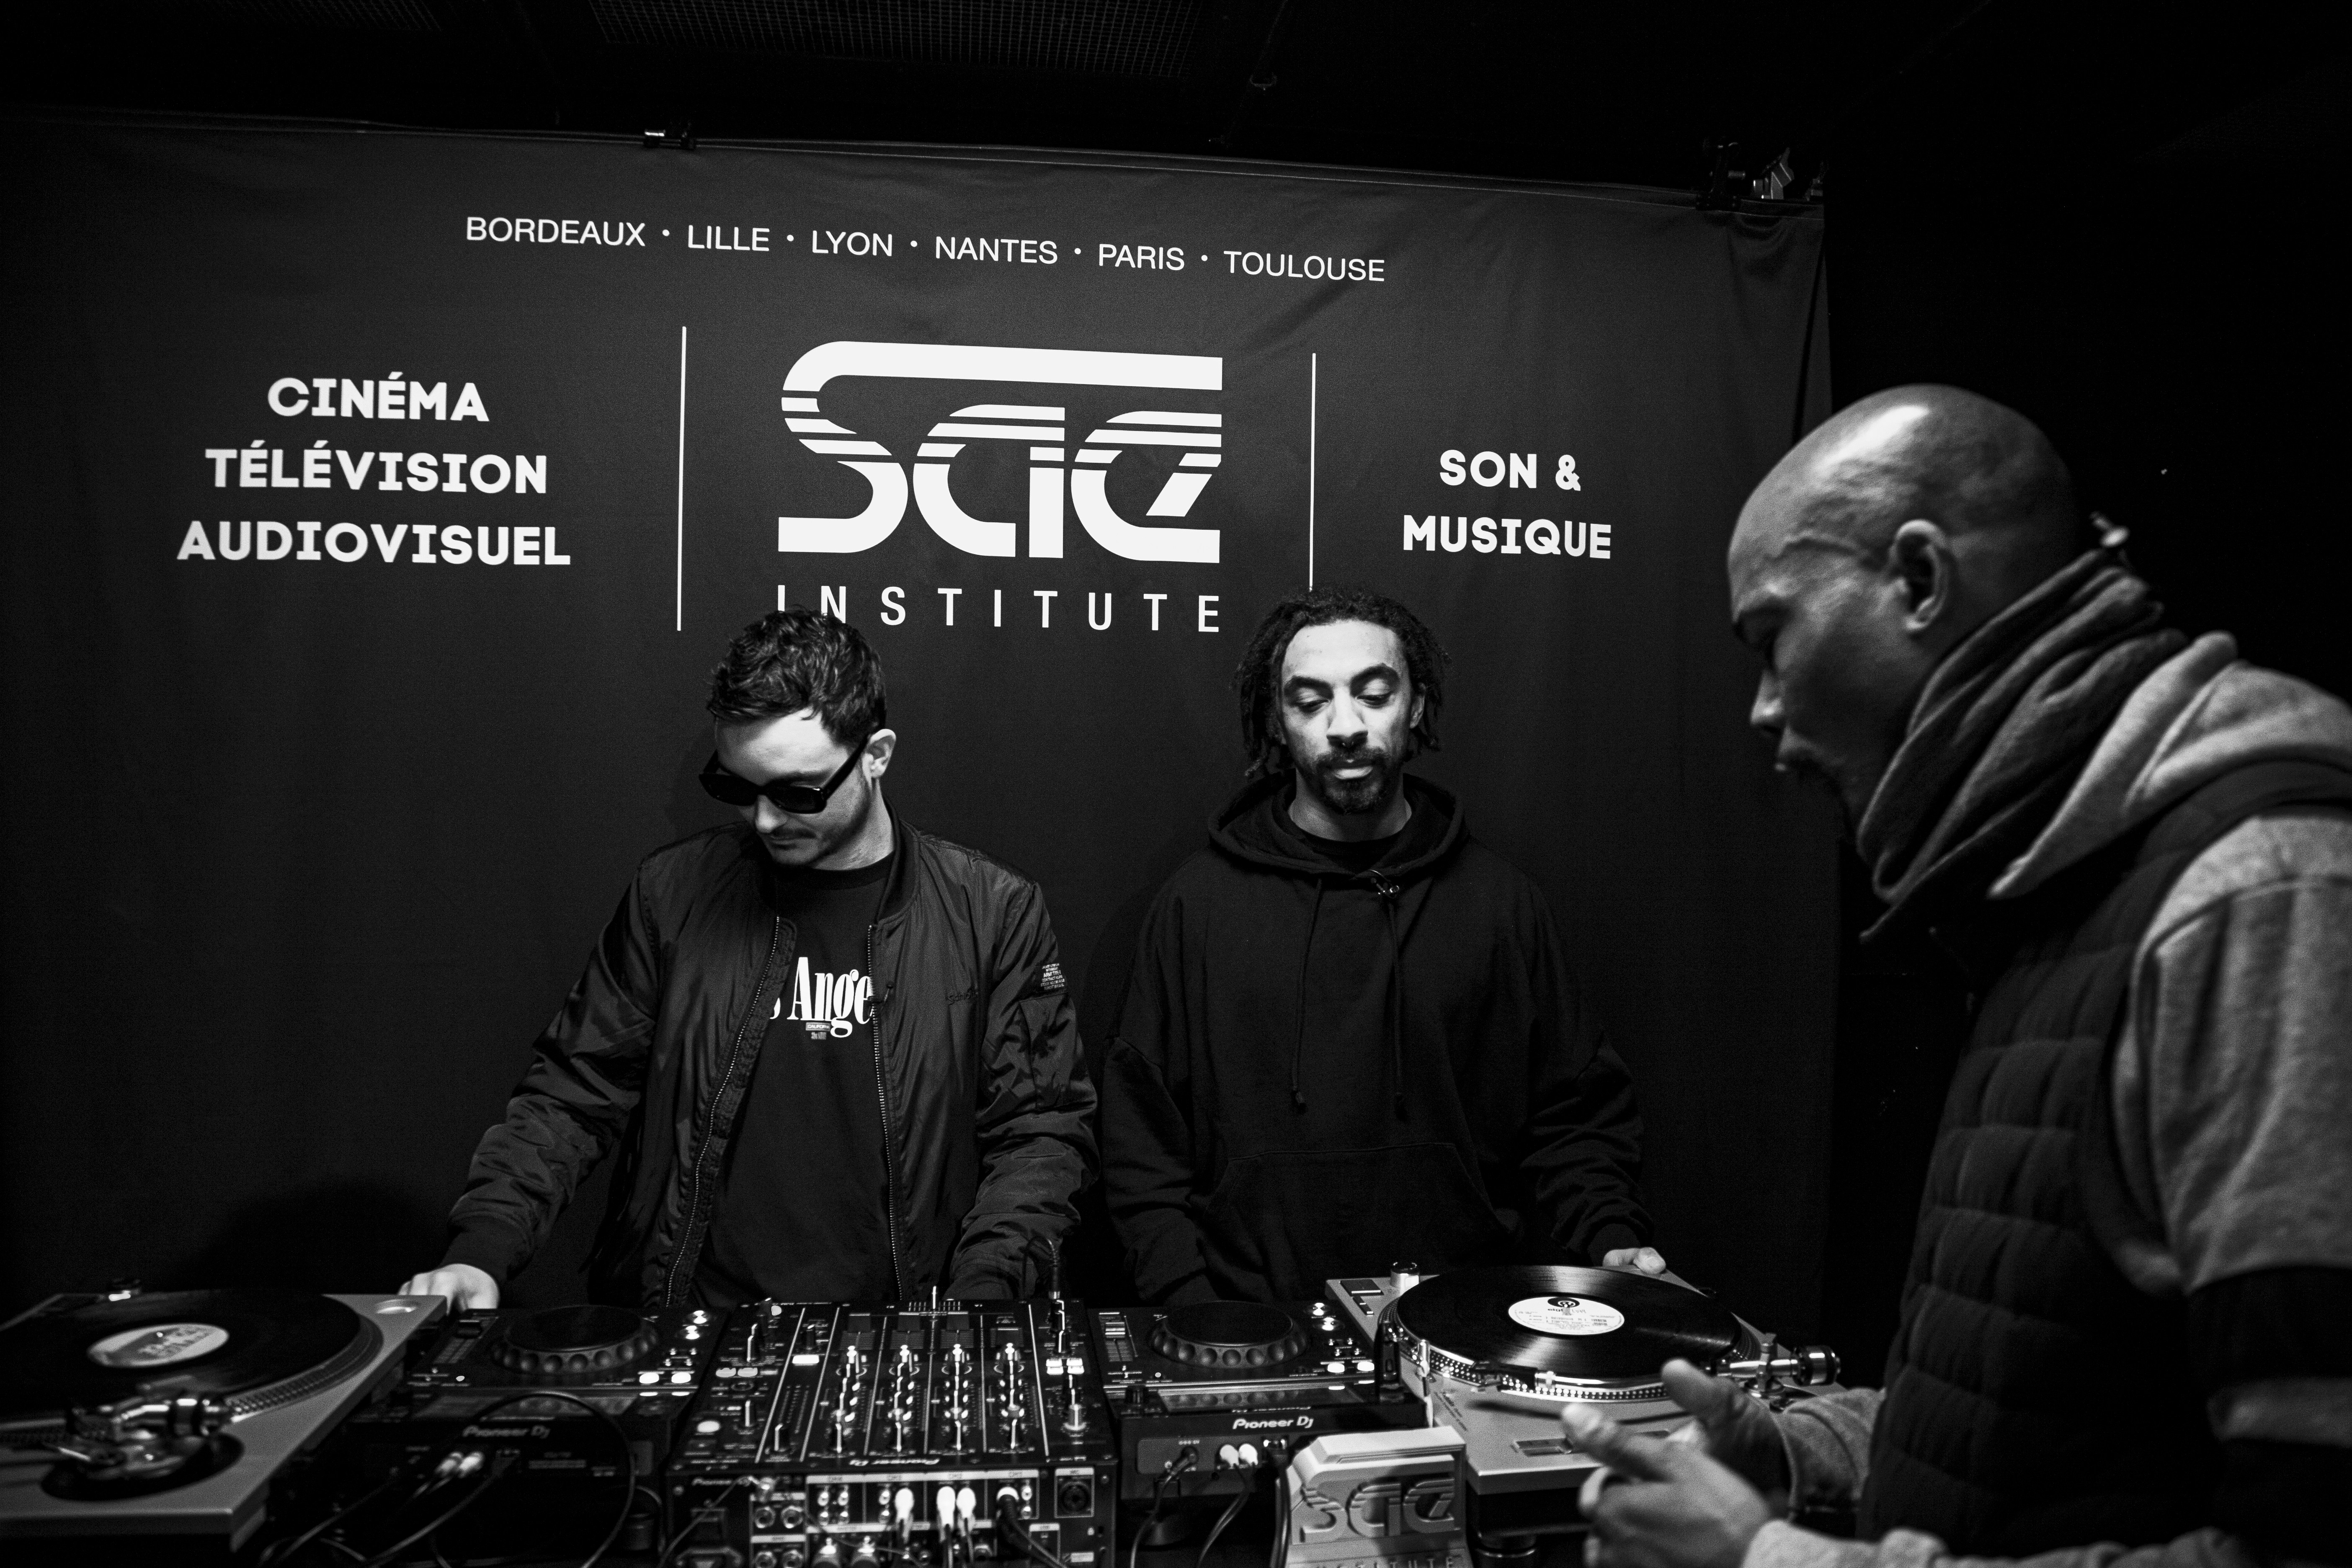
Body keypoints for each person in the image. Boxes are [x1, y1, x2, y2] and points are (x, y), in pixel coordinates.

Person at [1565, 386, 2352, 1567]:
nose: (1765, 711)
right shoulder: (2061, 897)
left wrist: (1768, 1562)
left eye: (1771, 637)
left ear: (1921, 583)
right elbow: (2037, 1431)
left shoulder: (2261, 899)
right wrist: (1791, 1457)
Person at [401, 609, 1095, 1310]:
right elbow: (575, 1092)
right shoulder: (671, 894)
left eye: (797, 793)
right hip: (686, 1320)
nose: (764, 820)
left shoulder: (992, 911)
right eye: (737, 788)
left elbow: (1039, 1134)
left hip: (905, 1330)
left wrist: (978, 1306)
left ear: (877, 754)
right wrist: (482, 1251)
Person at [1100, 585, 1662, 1307]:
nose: (1345, 727)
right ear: (1277, 721)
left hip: (1465, 1330)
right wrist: (1192, 1306)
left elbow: (1574, 1116)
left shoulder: (1500, 904)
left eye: (1374, 694)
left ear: (1417, 705)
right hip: (1252, 1332)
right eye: (1309, 701)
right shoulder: (1197, 907)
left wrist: (1612, 1234)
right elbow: (1144, 1146)